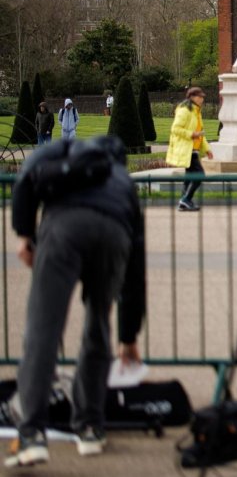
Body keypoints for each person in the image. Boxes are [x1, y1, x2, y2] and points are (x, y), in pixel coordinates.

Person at [7, 136, 146, 467]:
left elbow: (26, 177)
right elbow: (136, 271)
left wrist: (25, 234)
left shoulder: (65, 150)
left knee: (44, 327)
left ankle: (31, 433)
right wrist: (128, 336)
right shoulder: (124, 182)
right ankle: (89, 426)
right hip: (115, 233)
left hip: (64, 227)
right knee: (98, 325)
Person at [166, 87, 213, 212]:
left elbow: (200, 133)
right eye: (200, 97)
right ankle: (186, 199)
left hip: (194, 149)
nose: (202, 99)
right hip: (188, 149)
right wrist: (192, 134)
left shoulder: (196, 111)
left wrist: (207, 149)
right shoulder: (185, 110)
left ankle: (184, 201)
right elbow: (175, 129)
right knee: (199, 175)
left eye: (202, 97)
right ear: (192, 97)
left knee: (189, 176)